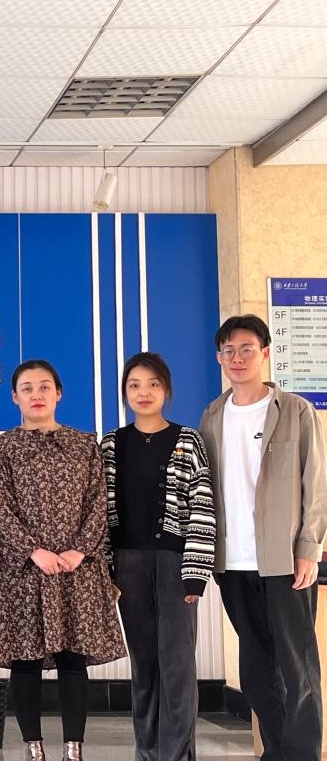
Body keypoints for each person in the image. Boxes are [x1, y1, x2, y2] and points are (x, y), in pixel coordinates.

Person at [198, 314, 326, 761]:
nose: (237, 358)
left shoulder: (294, 411)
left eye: (247, 349)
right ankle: (276, 752)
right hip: (231, 562)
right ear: (219, 358)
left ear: (266, 353)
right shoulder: (212, 415)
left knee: (297, 668)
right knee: (255, 671)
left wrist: (309, 548)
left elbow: (316, 485)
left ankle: (302, 755)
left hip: (283, 561)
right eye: (228, 351)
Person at [0, 359, 125, 761]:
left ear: (58, 394)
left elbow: (98, 504)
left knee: (73, 658)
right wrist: (35, 551)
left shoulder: (84, 445)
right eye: (27, 388)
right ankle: (34, 748)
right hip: (25, 569)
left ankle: (73, 748)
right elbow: (2, 509)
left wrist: (78, 551)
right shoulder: (2, 448)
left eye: (45, 386)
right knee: (25, 659)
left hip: (75, 568)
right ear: (15, 397)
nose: (37, 394)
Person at [101, 352, 216, 761]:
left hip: (175, 564)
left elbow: (202, 505)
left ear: (166, 389)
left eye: (152, 384)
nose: (143, 392)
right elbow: (99, 513)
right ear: (125, 393)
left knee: (178, 665)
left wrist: (195, 572)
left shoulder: (188, 440)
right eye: (134, 385)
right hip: (128, 566)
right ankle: (147, 752)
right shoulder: (112, 444)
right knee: (144, 665)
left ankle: (178, 755)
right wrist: (106, 572)